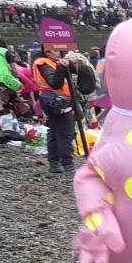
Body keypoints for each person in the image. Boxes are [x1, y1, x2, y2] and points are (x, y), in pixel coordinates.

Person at [32, 44, 78, 174]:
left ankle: (55, 163)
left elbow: (73, 72)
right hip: (58, 102)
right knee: (65, 134)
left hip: (51, 101)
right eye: (56, 50)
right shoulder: (45, 64)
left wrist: (71, 63)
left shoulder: (45, 63)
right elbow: (55, 83)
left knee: (54, 132)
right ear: (47, 51)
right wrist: (63, 66)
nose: (59, 53)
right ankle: (67, 165)